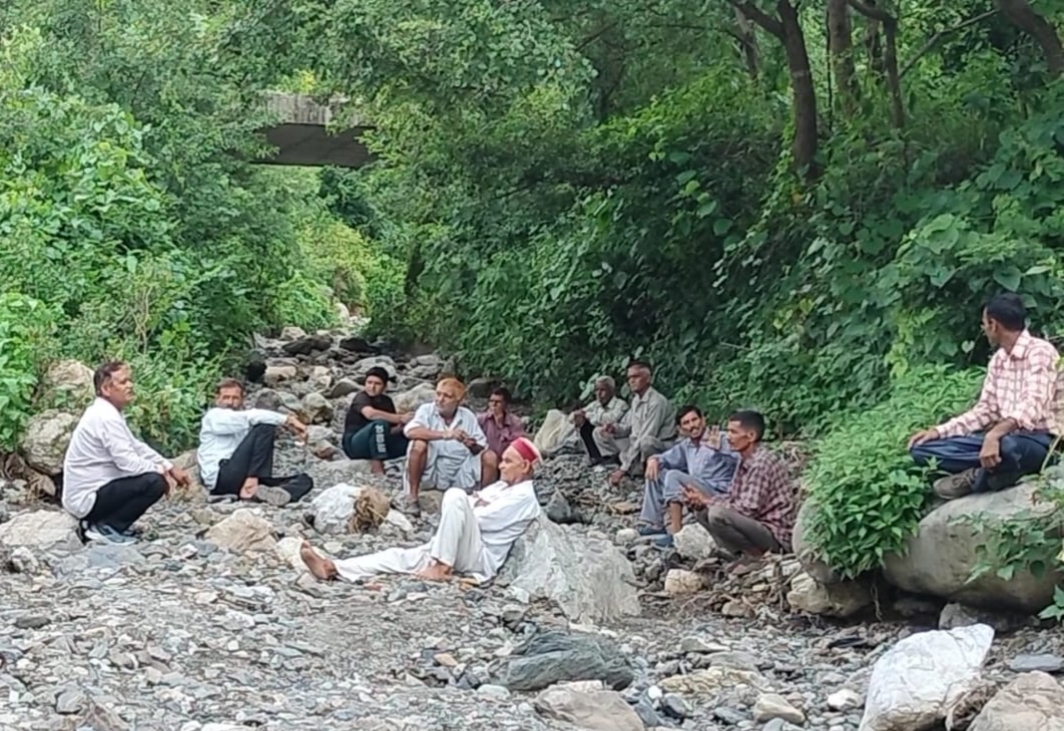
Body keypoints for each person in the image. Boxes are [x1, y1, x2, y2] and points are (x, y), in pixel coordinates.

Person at [300, 437, 543, 583]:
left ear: (525, 466)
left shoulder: (525, 495)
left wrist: (469, 507)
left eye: (508, 461)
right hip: (461, 543)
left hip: (480, 556)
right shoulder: (501, 486)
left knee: (456, 496)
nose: (500, 465)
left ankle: (441, 566)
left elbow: (481, 518)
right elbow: (472, 507)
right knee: (398, 556)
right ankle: (333, 567)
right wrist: (470, 507)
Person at [908, 293, 1060, 500]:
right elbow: (985, 410)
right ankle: (996, 471)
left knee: (1008, 447)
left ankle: (977, 477)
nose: (985, 330)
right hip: (1001, 438)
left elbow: (1033, 404)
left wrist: (994, 435)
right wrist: (939, 431)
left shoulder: (1041, 352)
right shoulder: (998, 360)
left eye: (984, 325)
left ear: (994, 324)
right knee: (921, 449)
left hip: (1038, 440)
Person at [62, 361, 190, 545]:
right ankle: (105, 527)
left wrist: (169, 466)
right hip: (86, 499)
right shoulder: (105, 417)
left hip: (93, 493)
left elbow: (135, 446)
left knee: (154, 476)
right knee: (154, 482)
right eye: (123, 382)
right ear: (106, 389)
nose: (130, 385)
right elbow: (127, 463)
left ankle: (106, 524)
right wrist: (161, 471)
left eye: (130, 381)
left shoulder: (108, 413)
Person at [683, 410, 796, 566]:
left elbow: (748, 510)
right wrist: (702, 501)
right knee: (702, 511)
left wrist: (708, 500)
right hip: (756, 526)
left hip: (774, 535)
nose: (728, 437)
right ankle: (740, 554)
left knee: (717, 514)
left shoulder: (761, 463)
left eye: (733, 432)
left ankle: (757, 557)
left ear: (750, 436)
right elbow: (733, 497)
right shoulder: (744, 460)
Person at [197, 378, 313, 505]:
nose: (230, 402)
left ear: (242, 399)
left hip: (242, 476)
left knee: (304, 480)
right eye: (226, 397)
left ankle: (270, 493)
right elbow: (251, 416)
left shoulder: (241, 419)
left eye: (235, 398)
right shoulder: (214, 416)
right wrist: (288, 420)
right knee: (266, 426)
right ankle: (253, 482)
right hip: (221, 478)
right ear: (217, 398)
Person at [638, 405, 738, 547]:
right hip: (697, 486)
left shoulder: (720, 437)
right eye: (686, 423)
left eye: (694, 420)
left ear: (703, 420)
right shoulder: (687, 445)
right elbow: (666, 457)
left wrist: (721, 449)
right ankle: (654, 523)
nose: (692, 425)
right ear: (680, 429)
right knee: (656, 471)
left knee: (673, 476)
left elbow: (741, 460)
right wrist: (653, 459)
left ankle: (676, 534)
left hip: (719, 491)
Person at [403, 378, 490, 515]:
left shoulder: (467, 416)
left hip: (459, 471)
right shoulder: (426, 410)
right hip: (431, 470)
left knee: (490, 457)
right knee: (418, 444)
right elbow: (410, 431)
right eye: (438, 394)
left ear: (458, 401)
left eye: (447, 396)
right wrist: (445, 434)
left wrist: (471, 444)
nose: (440, 399)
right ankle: (412, 497)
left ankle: (486, 500)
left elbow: (481, 446)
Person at [593, 360, 676, 485]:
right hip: (636, 443)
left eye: (636, 377)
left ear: (648, 379)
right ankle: (625, 464)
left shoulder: (656, 402)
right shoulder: (636, 400)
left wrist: (623, 468)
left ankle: (641, 469)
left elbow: (646, 435)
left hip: (660, 446)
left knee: (646, 442)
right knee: (599, 432)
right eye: (629, 378)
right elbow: (627, 427)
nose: (631, 381)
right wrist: (614, 429)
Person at [342, 366, 413, 474]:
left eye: (377, 384)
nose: (372, 387)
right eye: (369, 383)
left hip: (377, 440)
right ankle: (377, 465)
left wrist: (403, 426)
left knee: (409, 439)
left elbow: (389, 430)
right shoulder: (361, 397)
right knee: (379, 424)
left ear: (384, 387)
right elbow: (370, 414)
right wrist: (400, 418)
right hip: (354, 443)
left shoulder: (387, 401)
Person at [570, 376, 629, 462]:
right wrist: (578, 415)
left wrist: (589, 415)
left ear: (611, 391)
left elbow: (610, 419)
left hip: (617, 440)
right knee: (584, 425)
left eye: (602, 390)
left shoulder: (621, 405)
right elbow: (573, 416)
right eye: (597, 390)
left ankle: (612, 457)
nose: (599, 393)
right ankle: (595, 457)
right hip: (602, 439)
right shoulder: (595, 404)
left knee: (600, 429)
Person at [478, 387, 525, 485]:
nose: (493, 405)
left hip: (506, 458)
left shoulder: (515, 423)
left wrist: (500, 425)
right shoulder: (482, 420)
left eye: (498, 402)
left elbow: (518, 445)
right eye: (491, 401)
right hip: (487, 460)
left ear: (505, 405)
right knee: (490, 458)